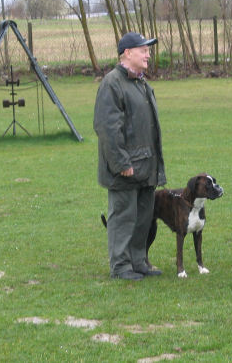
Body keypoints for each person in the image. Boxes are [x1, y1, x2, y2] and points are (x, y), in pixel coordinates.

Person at [94, 32, 166, 281]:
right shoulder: (112, 83)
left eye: (148, 50)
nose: (148, 54)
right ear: (127, 53)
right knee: (123, 217)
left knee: (143, 218)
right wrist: (121, 162)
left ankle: (138, 261)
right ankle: (121, 266)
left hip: (146, 166)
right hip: (125, 168)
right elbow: (107, 128)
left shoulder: (141, 83)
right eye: (143, 49)